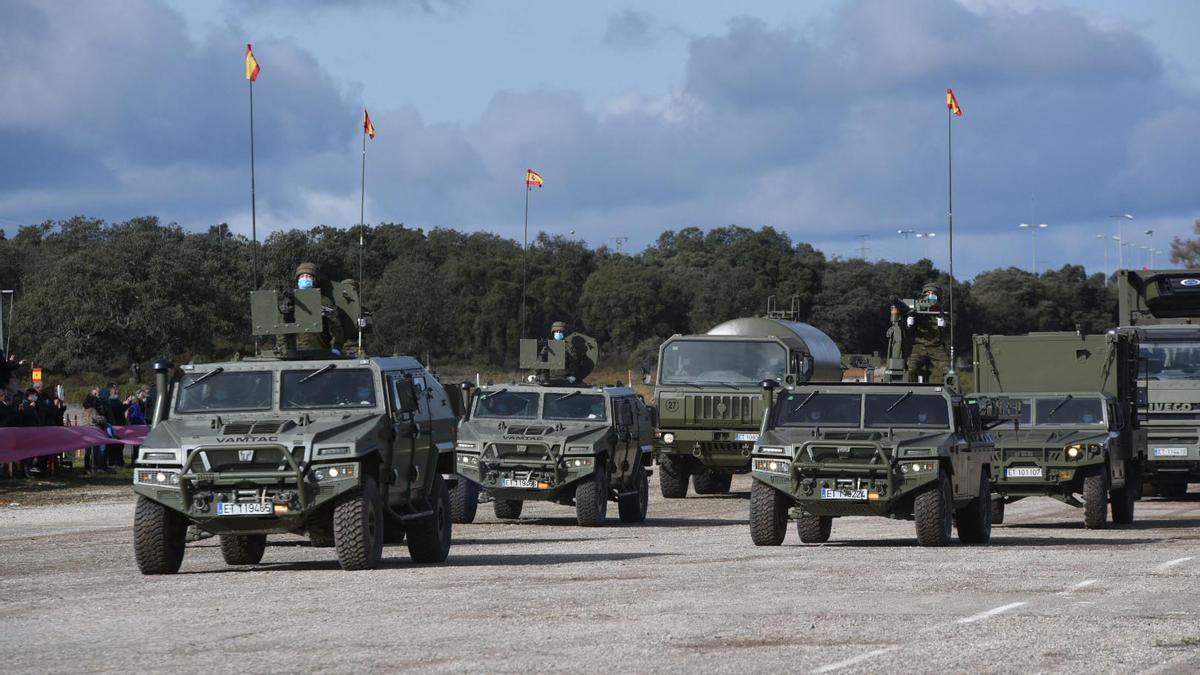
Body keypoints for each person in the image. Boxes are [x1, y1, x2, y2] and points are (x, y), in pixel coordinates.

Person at [293, 262, 346, 355]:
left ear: (315, 280)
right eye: (301, 276)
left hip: (320, 351)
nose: (304, 279)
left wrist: (336, 347)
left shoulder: (324, 301)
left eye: (308, 276)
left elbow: (335, 326)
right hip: (296, 352)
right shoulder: (292, 301)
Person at [905, 283, 951, 385]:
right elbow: (909, 333)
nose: (930, 297)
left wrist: (942, 325)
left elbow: (946, 334)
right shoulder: (917, 310)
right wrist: (910, 322)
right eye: (927, 293)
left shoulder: (941, 313)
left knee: (949, 371)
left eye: (933, 294)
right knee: (911, 370)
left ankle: (952, 394)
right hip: (918, 346)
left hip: (936, 347)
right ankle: (912, 390)